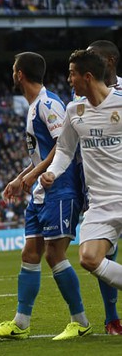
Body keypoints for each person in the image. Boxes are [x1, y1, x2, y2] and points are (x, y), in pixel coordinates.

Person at [0, 52, 91, 341]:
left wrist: (33, 176)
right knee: (30, 253)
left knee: (55, 254)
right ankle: (21, 324)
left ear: (20, 74)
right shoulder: (33, 107)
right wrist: (21, 178)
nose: (12, 73)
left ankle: (80, 320)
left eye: (13, 68)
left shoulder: (48, 103)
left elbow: (63, 147)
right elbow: (41, 155)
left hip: (61, 187)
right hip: (41, 191)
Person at [39, 49, 122, 333]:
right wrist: (52, 172)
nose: (68, 79)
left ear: (87, 77)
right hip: (99, 203)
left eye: (72, 73)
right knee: (89, 258)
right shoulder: (75, 111)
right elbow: (64, 149)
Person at [86, 39, 122, 334]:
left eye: (92, 58)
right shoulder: (82, 101)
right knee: (103, 254)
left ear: (109, 62)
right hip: (101, 191)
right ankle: (112, 318)